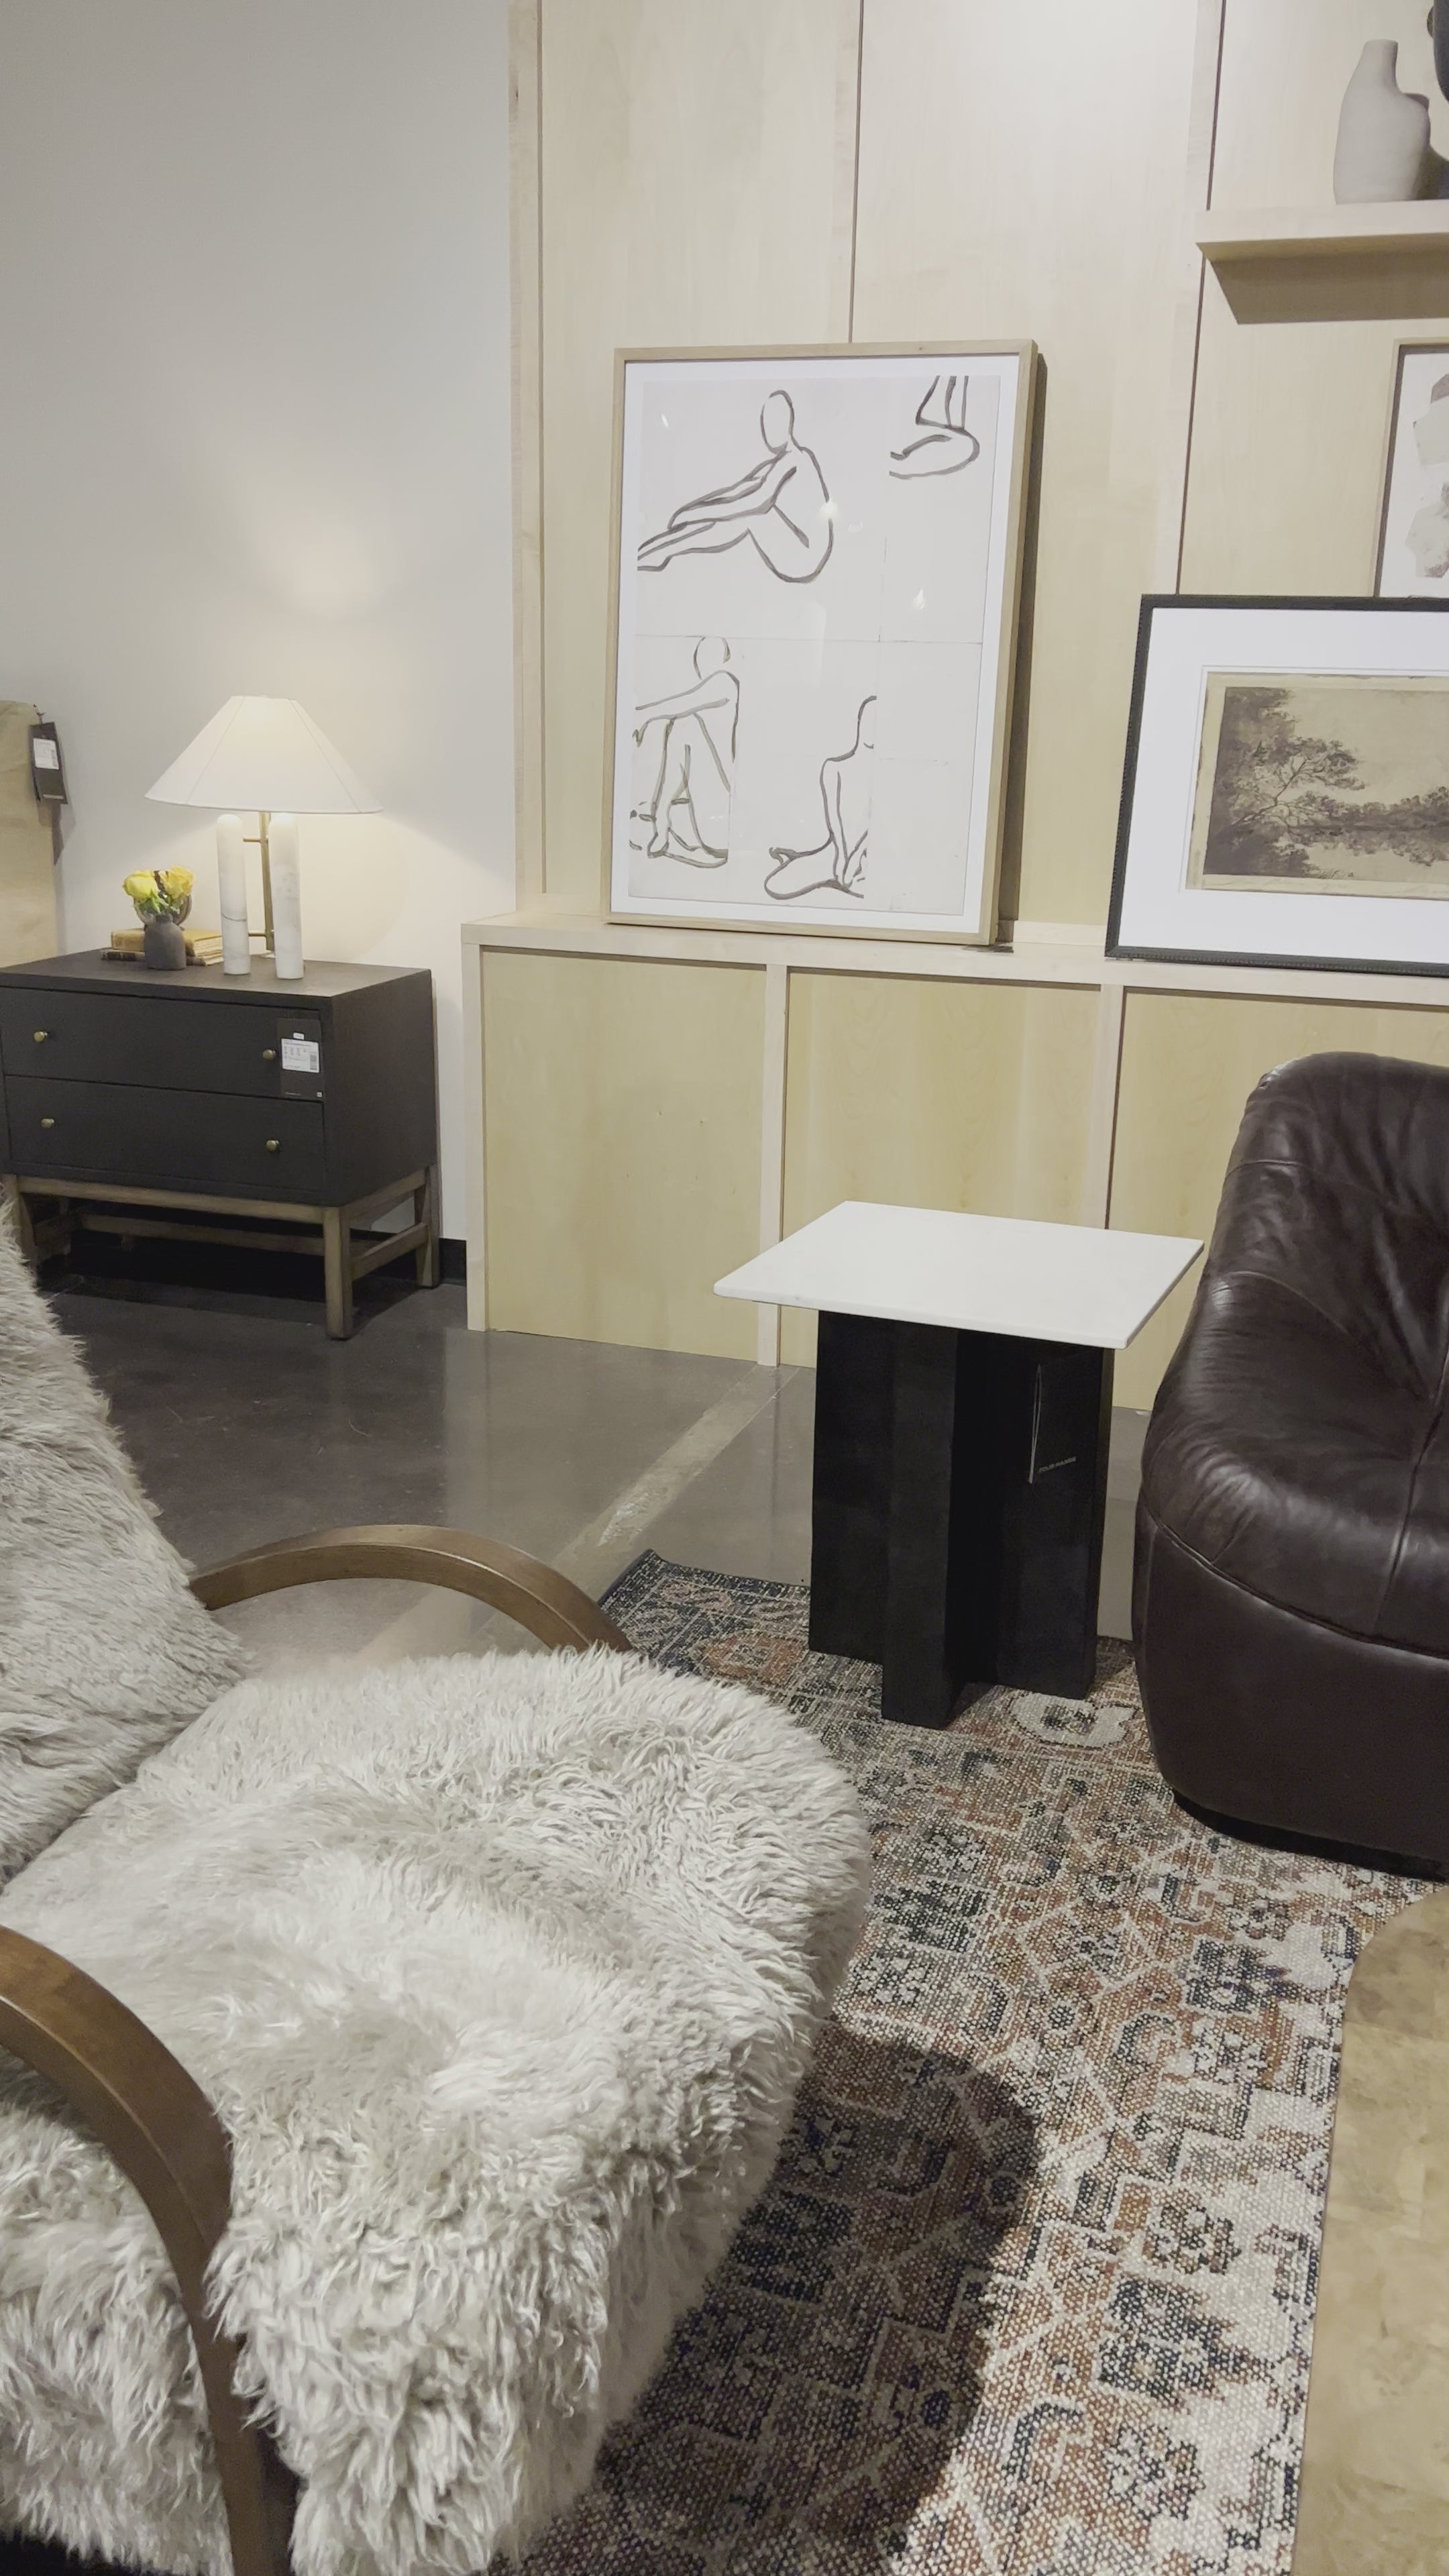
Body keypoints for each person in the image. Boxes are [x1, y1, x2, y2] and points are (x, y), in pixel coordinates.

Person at [637, 391, 834, 584]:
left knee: (746, 519)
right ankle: (662, 549)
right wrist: (692, 511)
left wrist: (695, 516)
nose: (769, 430)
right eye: (766, 423)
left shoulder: (797, 458)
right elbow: (737, 491)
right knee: (737, 519)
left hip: (805, 554)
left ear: (789, 421)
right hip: (795, 547)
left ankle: (665, 551)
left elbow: (757, 502)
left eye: (776, 421)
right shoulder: (774, 464)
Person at [629, 637, 739, 865]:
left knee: (684, 725)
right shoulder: (716, 692)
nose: (706, 663)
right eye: (703, 657)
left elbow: (682, 704)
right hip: (715, 822)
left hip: (723, 826)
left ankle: (661, 823)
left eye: (711, 656)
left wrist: (641, 717)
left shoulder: (725, 682)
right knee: (684, 724)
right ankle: (661, 821)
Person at [765, 697, 875, 901]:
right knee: (776, 885)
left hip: (868, 855)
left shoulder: (883, 776)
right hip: (837, 850)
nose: (874, 730)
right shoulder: (834, 767)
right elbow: (835, 824)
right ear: (860, 723)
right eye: (870, 721)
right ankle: (800, 858)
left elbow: (874, 827)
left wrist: (854, 861)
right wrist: (842, 859)